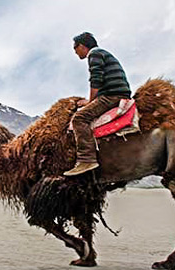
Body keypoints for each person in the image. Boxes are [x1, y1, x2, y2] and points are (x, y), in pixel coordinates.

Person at [64, 32, 132, 176]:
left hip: (112, 95)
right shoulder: (102, 53)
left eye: (75, 48)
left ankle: (86, 159)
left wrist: (90, 101)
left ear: (82, 46)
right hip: (117, 92)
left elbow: (96, 79)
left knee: (79, 118)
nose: (75, 52)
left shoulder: (94, 54)